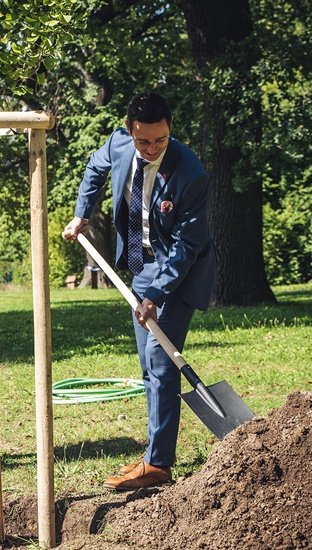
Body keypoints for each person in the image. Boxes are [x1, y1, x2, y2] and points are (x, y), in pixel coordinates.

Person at [62, 92, 216, 490]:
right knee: (149, 367)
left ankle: (159, 464)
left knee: (161, 361)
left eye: (160, 140)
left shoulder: (190, 174)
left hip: (177, 273)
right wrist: (82, 213)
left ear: (170, 130)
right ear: (130, 131)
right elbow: (95, 169)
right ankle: (154, 452)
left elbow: (186, 249)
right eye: (143, 140)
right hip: (140, 263)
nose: (151, 149)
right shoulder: (117, 145)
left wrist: (156, 295)